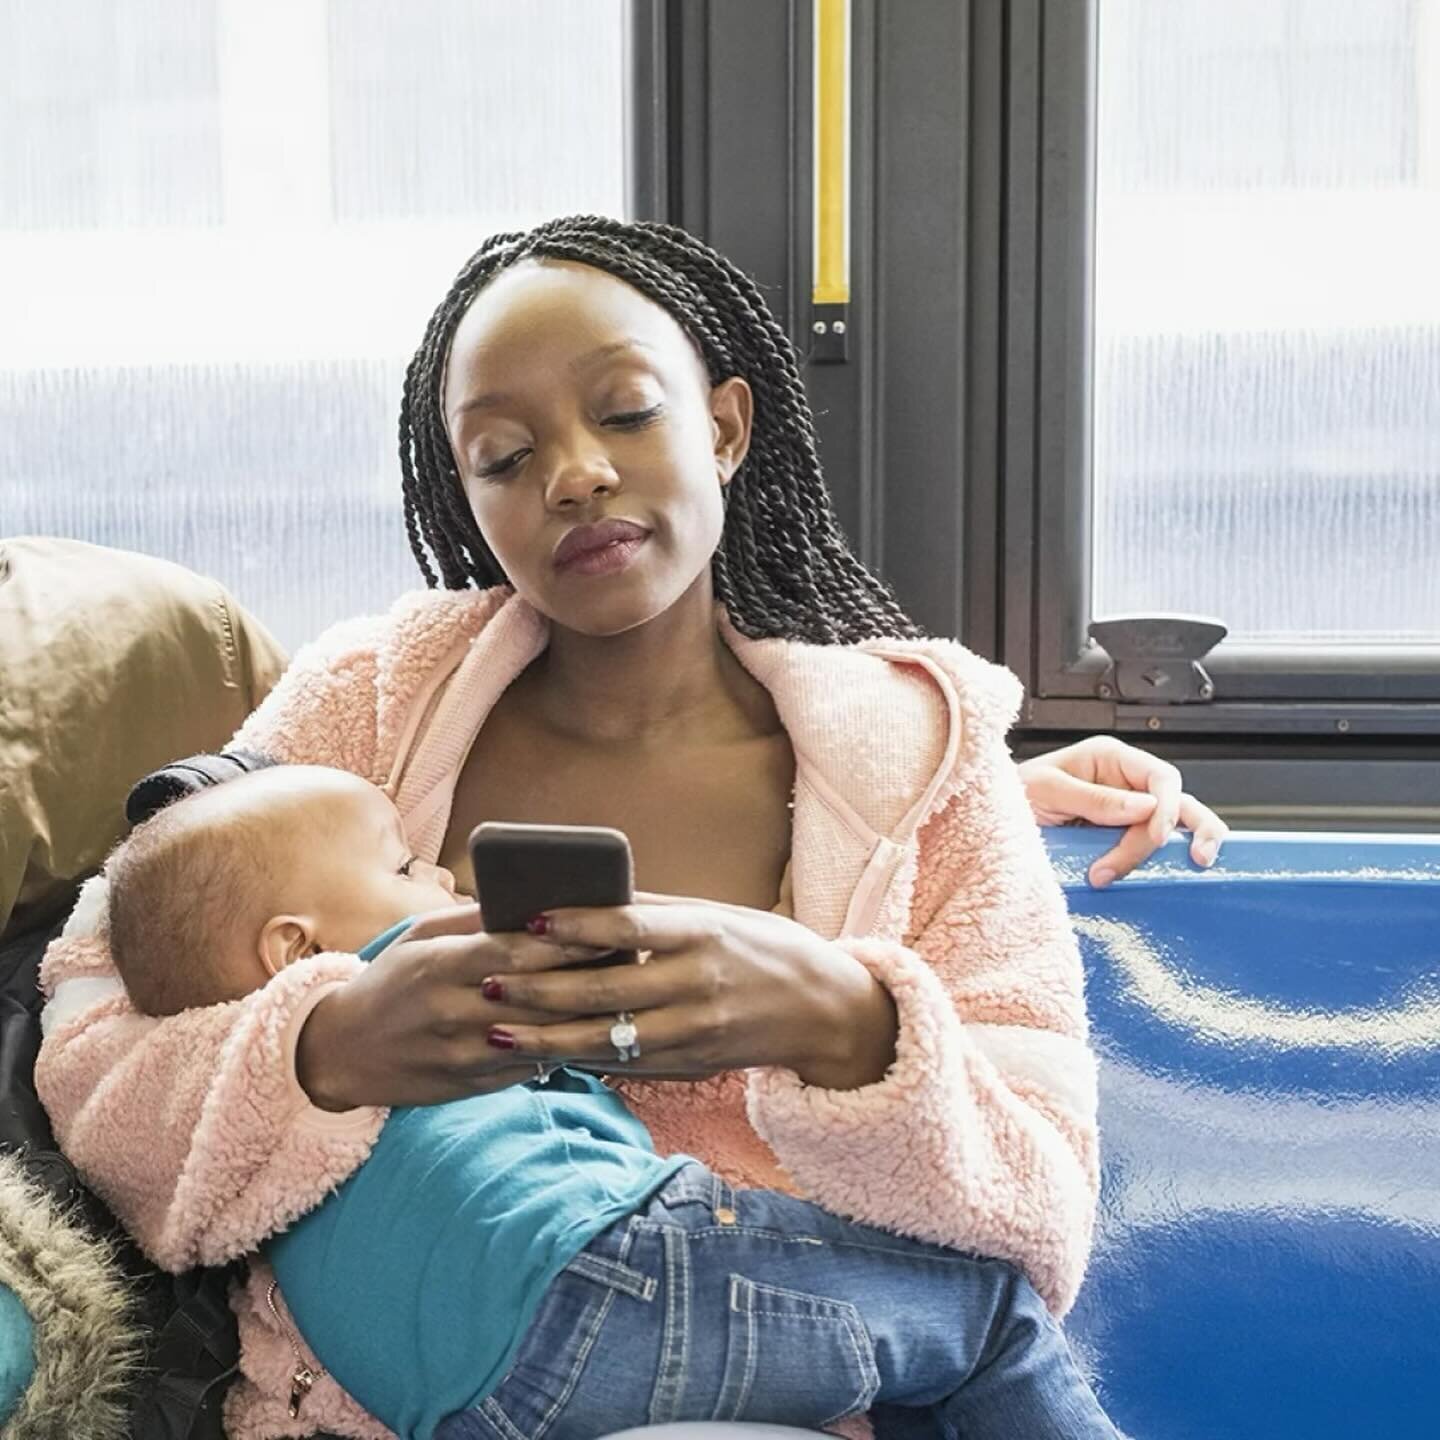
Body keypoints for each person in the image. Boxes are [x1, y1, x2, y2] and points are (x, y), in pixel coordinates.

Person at [35, 215, 1227, 1440]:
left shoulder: (920, 763)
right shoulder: (368, 706)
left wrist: (846, 1022)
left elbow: (1039, 1208)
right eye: (503, 456)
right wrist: (322, 1052)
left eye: (624, 412)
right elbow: (94, 1044)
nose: (574, 473)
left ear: (724, 427)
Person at [103, 761, 1122, 1439]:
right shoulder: (415, 969)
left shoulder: (266, 1151)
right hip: (600, 1272)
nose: (445, 873)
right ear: (297, 950)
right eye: (405, 865)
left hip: (461, 1409)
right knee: (985, 1312)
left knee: (897, 1366)